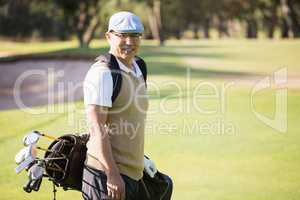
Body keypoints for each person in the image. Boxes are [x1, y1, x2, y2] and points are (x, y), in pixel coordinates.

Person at [82, 11, 149, 200]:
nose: (130, 41)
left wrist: (139, 160)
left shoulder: (139, 67)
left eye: (135, 35)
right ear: (109, 36)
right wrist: (112, 173)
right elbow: (97, 128)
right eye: (122, 35)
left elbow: (129, 119)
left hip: (133, 173)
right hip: (106, 178)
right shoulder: (103, 73)